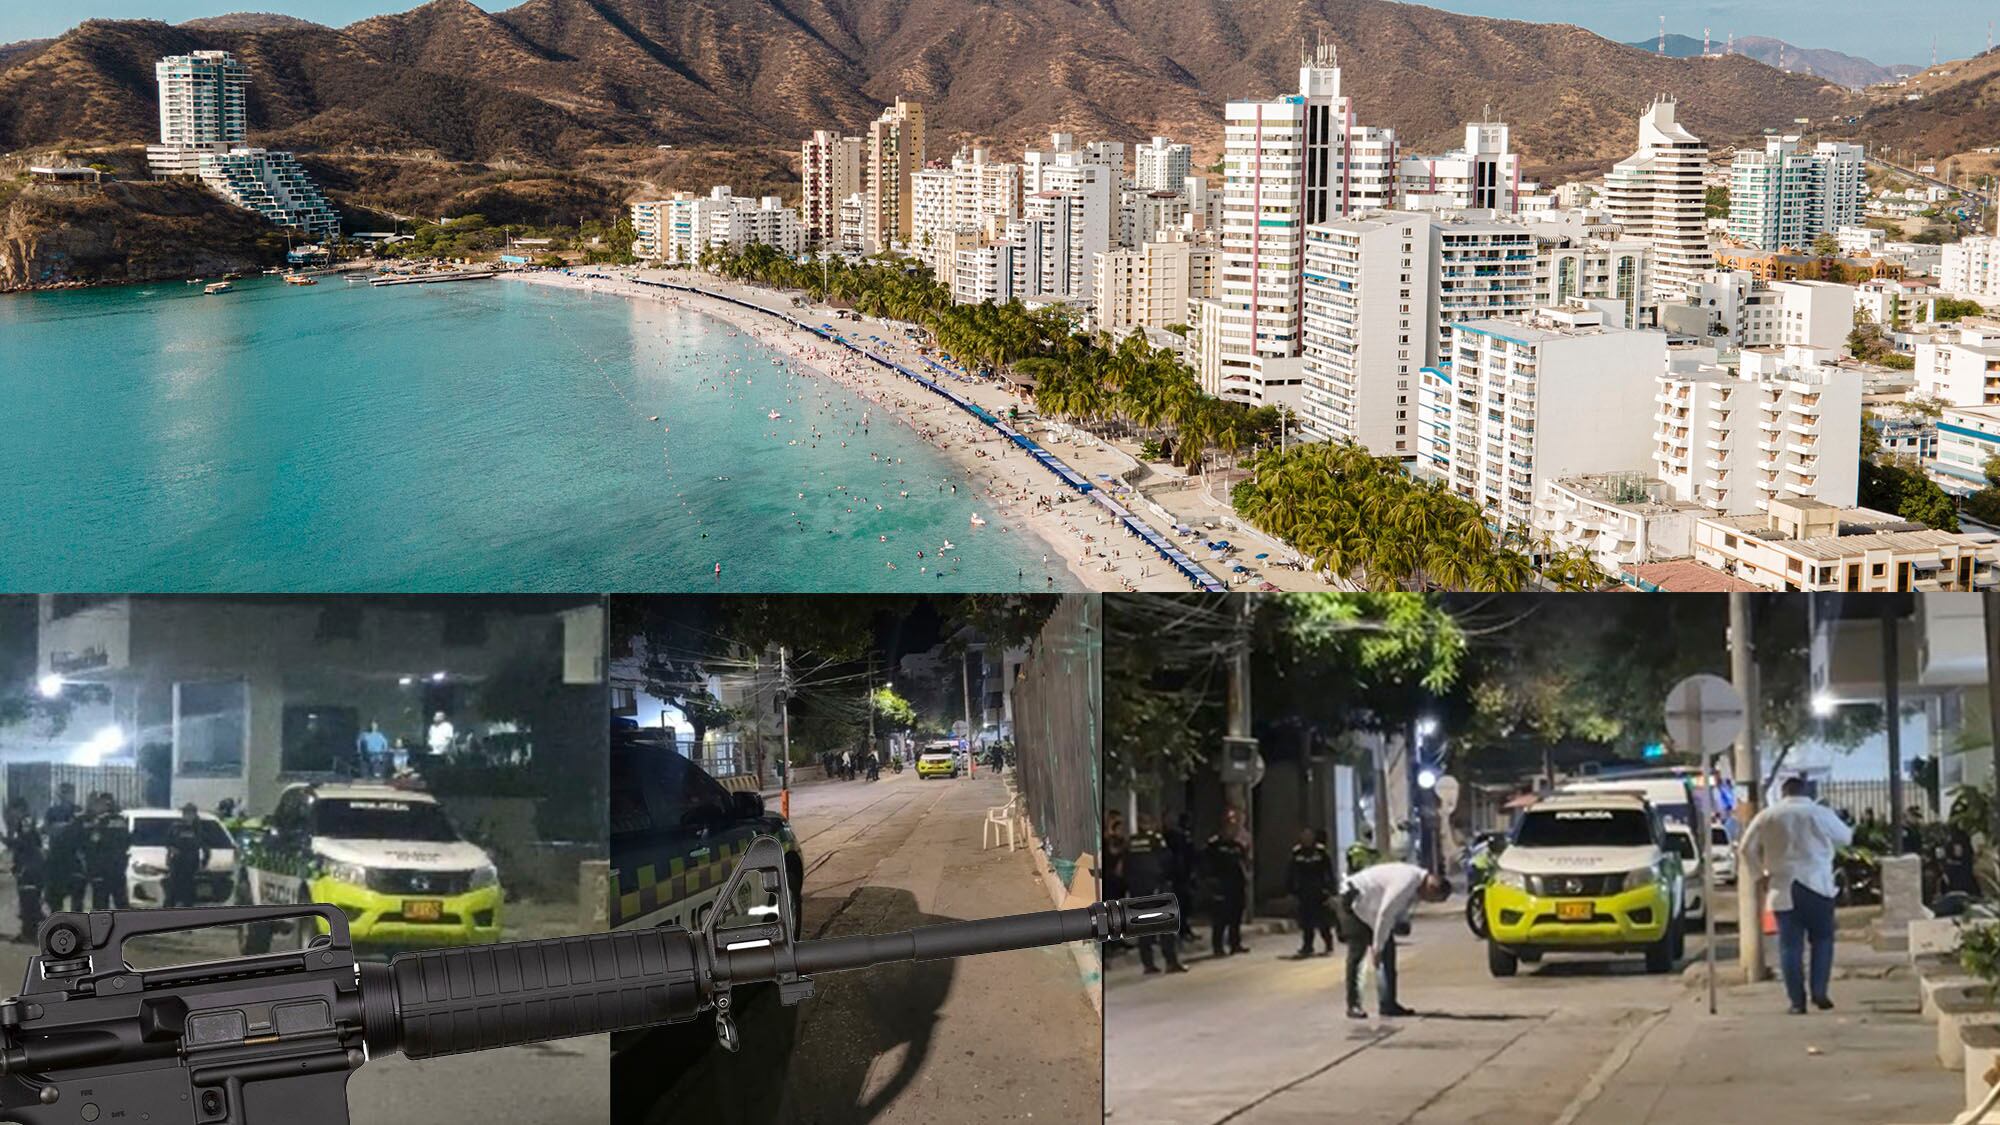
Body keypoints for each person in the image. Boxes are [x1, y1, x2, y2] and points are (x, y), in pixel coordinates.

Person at [1741, 776, 1855, 1015]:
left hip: (1782, 887)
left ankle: (1796, 1001)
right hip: (1818, 885)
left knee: (1789, 947)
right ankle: (1819, 991)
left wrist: (1758, 876)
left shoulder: (1767, 816)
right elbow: (1846, 837)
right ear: (1805, 792)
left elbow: (1745, 848)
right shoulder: (1818, 812)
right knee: (1822, 940)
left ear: (1783, 793)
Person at [1335, 861, 1451, 1019]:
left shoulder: (1416, 881)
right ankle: (1353, 1005)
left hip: (1370, 908)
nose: (1426, 901)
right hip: (1354, 901)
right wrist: (1377, 946)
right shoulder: (1406, 883)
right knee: (1358, 954)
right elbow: (1386, 912)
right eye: (1431, 899)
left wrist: (1382, 942)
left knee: (1387, 953)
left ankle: (1388, 1003)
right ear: (1430, 888)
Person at [1124, 814, 1187, 974]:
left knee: (1143, 927)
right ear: (1150, 824)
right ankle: (1171, 962)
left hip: (1137, 889)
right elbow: (1167, 860)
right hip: (1157, 885)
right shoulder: (1156, 840)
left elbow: (1125, 865)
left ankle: (1148, 964)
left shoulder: (1131, 842)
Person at [1203, 809, 1251, 957]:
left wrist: (1246, 877)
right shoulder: (1214, 845)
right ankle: (1218, 947)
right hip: (1221, 887)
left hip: (1236, 886)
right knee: (1220, 919)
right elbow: (1205, 865)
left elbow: (1245, 863)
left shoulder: (1237, 846)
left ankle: (1235, 944)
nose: (1232, 830)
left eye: (1234, 827)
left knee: (1235, 917)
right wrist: (1211, 883)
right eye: (1229, 826)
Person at [1287, 828, 1337, 958]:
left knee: (1323, 920)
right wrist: (1291, 890)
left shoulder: (1321, 852)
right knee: (1306, 920)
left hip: (1319, 890)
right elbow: (1291, 873)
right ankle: (1307, 946)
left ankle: (1328, 943)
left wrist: (1331, 889)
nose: (1306, 839)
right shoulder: (1297, 852)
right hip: (1304, 891)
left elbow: (1329, 872)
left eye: (1309, 836)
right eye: (1304, 836)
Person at [81, 793, 130, 911]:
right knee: (121, 901)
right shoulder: (122, 820)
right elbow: (127, 841)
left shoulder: (99, 822)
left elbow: (93, 844)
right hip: (118, 867)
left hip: (102, 869)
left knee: (101, 903)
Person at [5, 799, 45, 941]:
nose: (10, 813)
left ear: (19, 809)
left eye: (13, 810)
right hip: (28, 867)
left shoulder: (25, 822)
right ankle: (27, 932)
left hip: (30, 868)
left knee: (29, 900)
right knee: (27, 900)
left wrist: (4, 839)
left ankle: (31, 934)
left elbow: (24, 843)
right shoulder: (23, 823)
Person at [163, 803, 212, 909]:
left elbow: (205, 846)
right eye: (186, 813)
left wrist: (204, 862)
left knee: (188, 888)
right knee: (172, 888)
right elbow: (167, 842)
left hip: (191, 861)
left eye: (191, 813)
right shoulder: (175, 827)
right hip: (177, 861)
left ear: (194, 815)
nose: (188, 816)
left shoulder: (198, 829)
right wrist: (171, 850)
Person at [1165, 812, 1199, 942]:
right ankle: (1181, 931)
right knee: (1180, 904)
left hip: (1184, 875)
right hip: (1178, 876)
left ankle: (1184, 930)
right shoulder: (1176, 837)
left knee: (1185, 904)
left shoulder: (1182, 836)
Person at [43, 812, 85, 915]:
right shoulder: (76, 832)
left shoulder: (50, 836)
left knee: (56, 906)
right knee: (77, 905)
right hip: (75, 871)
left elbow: (46, 857)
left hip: (57, 875)